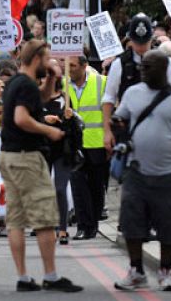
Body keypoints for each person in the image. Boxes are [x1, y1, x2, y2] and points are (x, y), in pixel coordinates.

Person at [0, 39, 82, 292]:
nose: (50, 64)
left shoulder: (17, 82)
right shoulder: (25, 85)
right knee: (46, 217)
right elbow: (22, 118)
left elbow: (39, 100)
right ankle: (51, 275)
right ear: (36, 59)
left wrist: (51, 80)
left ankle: (23, 277)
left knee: (16, 219)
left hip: (9, 155)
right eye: (47, 60)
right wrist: (49, 131)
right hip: (27, 157)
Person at [112, 50, 171, 292]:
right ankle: (137, 271)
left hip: (170, 173)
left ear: (164, 69)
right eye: (142, 66)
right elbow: (121, 119)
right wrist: (116, 125)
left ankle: (166, 272)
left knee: (170, 225)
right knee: (131, 222)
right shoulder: (132, 93)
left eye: (149, 67)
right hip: (136, 171)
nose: (143, 70)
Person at [103, 13, 171, 153]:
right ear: (130, 39)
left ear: (151, 40)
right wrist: (107, 131)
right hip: (128, 130)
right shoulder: (119, 64)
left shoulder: (166, 63)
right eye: (137, 42)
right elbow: (108, 99)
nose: (141, 47)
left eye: (144, 42)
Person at [66, 55, 107, 241]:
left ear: (84, 66)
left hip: (97, 143)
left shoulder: (101, 82)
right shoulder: (64, 85)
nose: (70, 69)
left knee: (97, 187)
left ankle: (93, 224)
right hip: (75, 144)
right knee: (78, 186)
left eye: (73, 65)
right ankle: (83, 226)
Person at [42, 58, 76, 245]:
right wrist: (43, 119)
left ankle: (62, 229)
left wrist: (68, 119)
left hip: (62, 149)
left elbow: (76, 127)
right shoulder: (37, 98)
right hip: (42, 149)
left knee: (60, 189)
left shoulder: (66, 97)